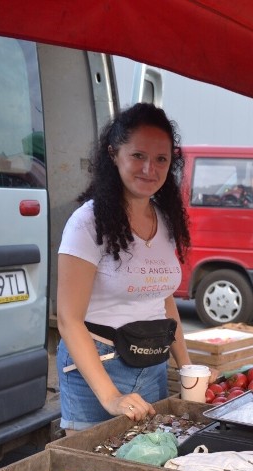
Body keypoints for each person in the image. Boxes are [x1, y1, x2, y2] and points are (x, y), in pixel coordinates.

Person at [56, 103, 201, 433]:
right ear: (114, 154)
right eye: (138, 155)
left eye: (161, 159)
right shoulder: (87, 223)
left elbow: (163, 301)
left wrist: (188, 367)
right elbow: (68, 319)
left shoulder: (165, 221)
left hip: (152, 365)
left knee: (147, 466)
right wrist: (111, 397)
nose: (150, 168)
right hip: (97, 367)